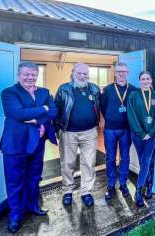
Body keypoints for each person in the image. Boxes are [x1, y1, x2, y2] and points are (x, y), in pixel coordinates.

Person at [0, 61, 57, 233]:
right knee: (15, 181)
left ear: (37, 75)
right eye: (26, 74)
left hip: (37, 144)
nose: (30, 78)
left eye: (33, 74)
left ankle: (32, 205)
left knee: (34, 177)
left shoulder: (45, 92)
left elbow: (53, 112)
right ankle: (15, 215)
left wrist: (38, 120)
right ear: (19, 75)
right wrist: (43, 108)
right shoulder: (9, 93)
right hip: (15, 144)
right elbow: (16, 113)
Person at [54, 63, 101, 208]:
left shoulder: (94, 89)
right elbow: (56, 111)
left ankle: (86, 191)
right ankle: (68, 191)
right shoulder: (64, 89)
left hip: (90, 132)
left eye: (85, 73)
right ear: (73, 73)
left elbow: (99, 107)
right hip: (68, 132)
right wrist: (58, 130)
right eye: (79, 73)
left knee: (89, 163)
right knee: (68, 163)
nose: (82, 76)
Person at [100, 62, 137, 201]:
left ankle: (123, 184)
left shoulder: (133, 90)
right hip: (110, 129)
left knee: (125, 158)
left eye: (124, 71)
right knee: (110, 158)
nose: (121, 74)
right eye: (119, 71)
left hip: (127, 130)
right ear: (115, 73)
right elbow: (102, 107)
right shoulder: (107, 90)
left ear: (127, 73)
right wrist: (107, 119)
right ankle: (110, 185)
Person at [127, 71, 155, 207]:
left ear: (151, 80)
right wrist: (142, 133)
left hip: (152, 135)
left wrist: (152, 131)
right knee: (143, 161)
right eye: (143, 79)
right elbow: (131, 115)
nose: (145, 81)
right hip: (137, 134)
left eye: (148, 78)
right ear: (139, 81)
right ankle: (149, 183)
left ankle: (138, 190)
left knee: (146, 160)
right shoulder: (134, 95)